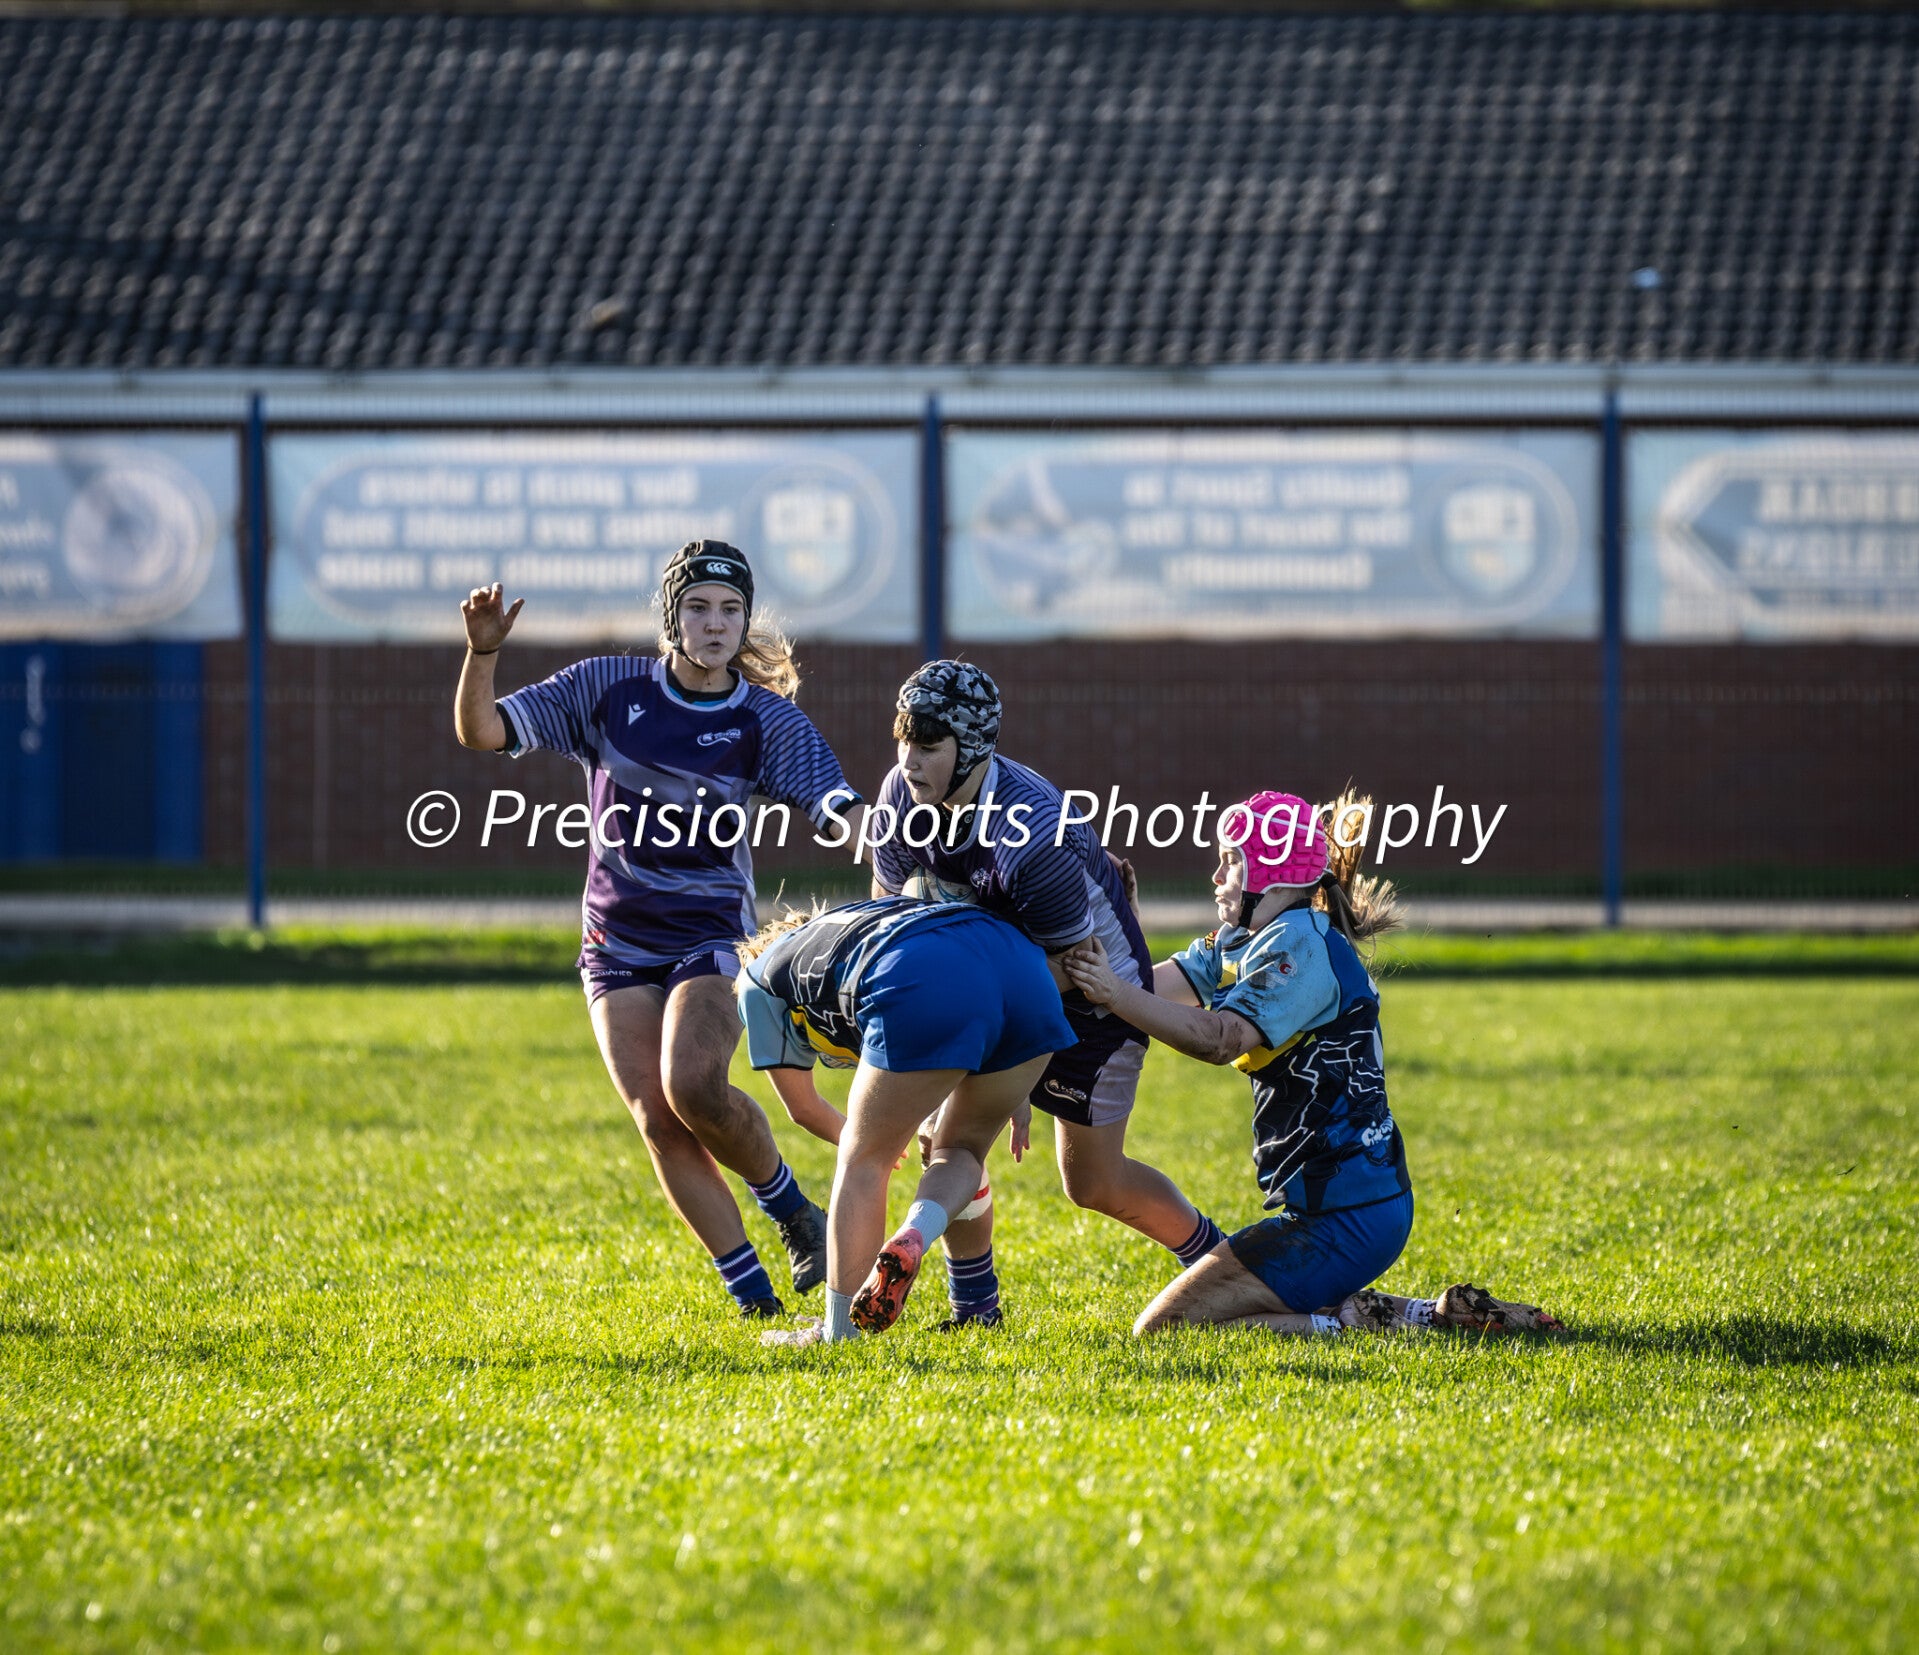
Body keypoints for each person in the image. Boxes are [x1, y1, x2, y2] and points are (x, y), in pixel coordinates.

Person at [453, 540, 864, 1319]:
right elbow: (482, 732)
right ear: (671, 617)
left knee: (693, 1085)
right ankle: (754, 1301)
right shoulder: (606, 688)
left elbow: (833, 802)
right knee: (657, 1117)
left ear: (745, 622)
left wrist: (878, 834)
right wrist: (481, 655)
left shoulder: (762, 718)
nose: (715, 624)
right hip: (614, 944)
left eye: (730, 610)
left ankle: (793, 1214)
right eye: (699, 607)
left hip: (710, 936)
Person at [1063, 789, 1562, 1339]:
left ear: (1275, 882)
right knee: (1179, 1322)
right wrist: (1125, 924)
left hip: (1345, 1217)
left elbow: (1219, 1039)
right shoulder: (1243, 937)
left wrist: (1112, 992)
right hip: (1345, 1209)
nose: (1218, 875)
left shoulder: (1295, 948)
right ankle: (1425, 1314)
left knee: (1163, 1330)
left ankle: (1364, 1328)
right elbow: (1146, 992)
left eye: (1232, 860)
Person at [868, 661, 1226, 1328]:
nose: (908, 760)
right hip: (998, 988)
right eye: (902, 738)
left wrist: (1010, 1049)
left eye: (928, 744)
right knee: (946, 1141)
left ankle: (1225, 1263)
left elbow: (1074, 966)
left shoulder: (1031, 834)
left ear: (972, 747)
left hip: (1094, 1000)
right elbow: (887, 916)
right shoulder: (899, 796)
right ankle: (974, 1306)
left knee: (1094, 1182)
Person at [734, 897, 1075, 1344]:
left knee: (862, 1163)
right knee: (961, 1149)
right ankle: (916, 1232)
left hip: (915, 974)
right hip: (1026, 974)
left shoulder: (758, 981)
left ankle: (840, 1333)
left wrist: (873, 1148)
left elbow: (803, 1107)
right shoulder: (854, 922)